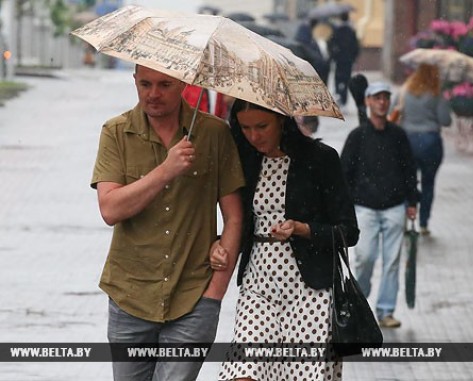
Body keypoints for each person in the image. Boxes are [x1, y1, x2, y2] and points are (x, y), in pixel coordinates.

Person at [90, 65, 245, 381]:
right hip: (129, 295)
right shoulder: (116, 132)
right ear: (135, 81)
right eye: (145, 84)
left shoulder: (214, 134)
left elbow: (234, 216)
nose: (153, 94)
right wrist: (166, 170)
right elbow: (110, 209)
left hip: (193, 296)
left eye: (164, 85)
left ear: (184, 85)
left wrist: (215, 293)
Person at [214, 100, 359, 381]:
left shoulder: (320, 159)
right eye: (245, 128)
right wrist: (218, 243)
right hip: (259, 284)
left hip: (310, 290)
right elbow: (240, 223)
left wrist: (304, 229)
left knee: (300, 374)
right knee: (244, 372)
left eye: (261, 126)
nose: (254, 136)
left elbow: (348, 231)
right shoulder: (245, 160)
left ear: (282, 120)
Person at [340, 81, 419, 328]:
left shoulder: (398, 136)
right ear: (368, 102)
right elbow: (344, 173)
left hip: (395, 207)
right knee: (364, 257)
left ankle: (385, 310)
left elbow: (409, 170)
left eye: (385, 98)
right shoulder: (357, 137)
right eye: (377, 98)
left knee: (392, 261)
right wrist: (345, 204)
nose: (382, 102)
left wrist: (412, 200)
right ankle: (358, 304)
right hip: (364, 207)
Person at [392, 63, 452, 235]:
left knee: (406, 182)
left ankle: (405, 217)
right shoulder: (436, 93)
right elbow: (445, 120)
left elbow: (392, 112)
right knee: (428, 183)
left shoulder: (404, 91)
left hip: (407, 141)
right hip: (430, 142)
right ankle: (424, 222)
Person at [329, 12, 360, 107]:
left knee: (338, 77)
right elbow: (356, 46)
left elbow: (331, 44)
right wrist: (354, 57)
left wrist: (333, 56)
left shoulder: (336, 30)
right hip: (348, 60)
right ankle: (344, 98)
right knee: (346, 79)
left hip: (339, 59)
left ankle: (338, 93)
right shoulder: (351, 31)